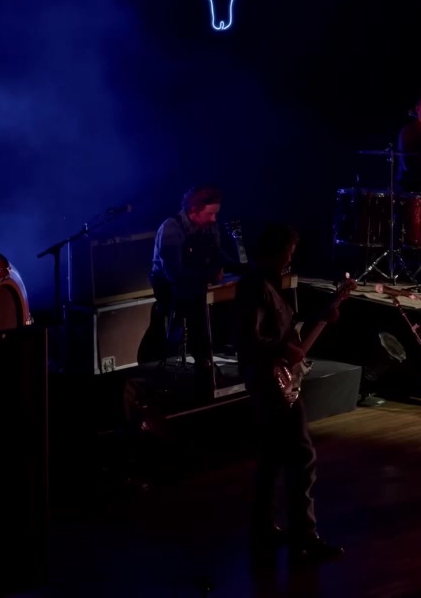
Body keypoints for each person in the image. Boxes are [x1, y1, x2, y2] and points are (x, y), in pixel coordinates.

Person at [236, 222, 343, 562]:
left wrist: (323, 315)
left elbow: (282, 327)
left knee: (271, 457)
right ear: (278, 250)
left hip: (272, 379)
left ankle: (264, 529)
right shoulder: (255, 285)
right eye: (289, 253)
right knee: (301, 455)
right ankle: (304, 536)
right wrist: (283, 350)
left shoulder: (266, 283)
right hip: (269, 381)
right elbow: (249, 338)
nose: (290, 260)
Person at [140, 185, 241, 395]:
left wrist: (241, 268)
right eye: (210, 214)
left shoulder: (210, 227)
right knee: (195, 305)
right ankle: (202, 361)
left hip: (197, 280)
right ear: (194, 210)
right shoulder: (171, 228)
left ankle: (220, 354)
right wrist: (209, 275)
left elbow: (217, 254)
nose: (214, 219)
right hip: (169, 286)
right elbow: (173, 273)